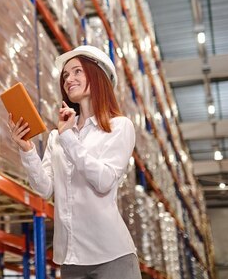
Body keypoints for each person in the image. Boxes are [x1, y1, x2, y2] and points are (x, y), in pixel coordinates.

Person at [7, 45, 141, 279]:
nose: (69, 79)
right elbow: (45, 189)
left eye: (77, 71)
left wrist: (68, 137)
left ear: (98, 76)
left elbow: (104, 181)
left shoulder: (119, 126)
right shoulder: (57, 137)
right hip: (70, 259)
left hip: (111, 256)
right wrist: (27, 149)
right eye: (66, 75)